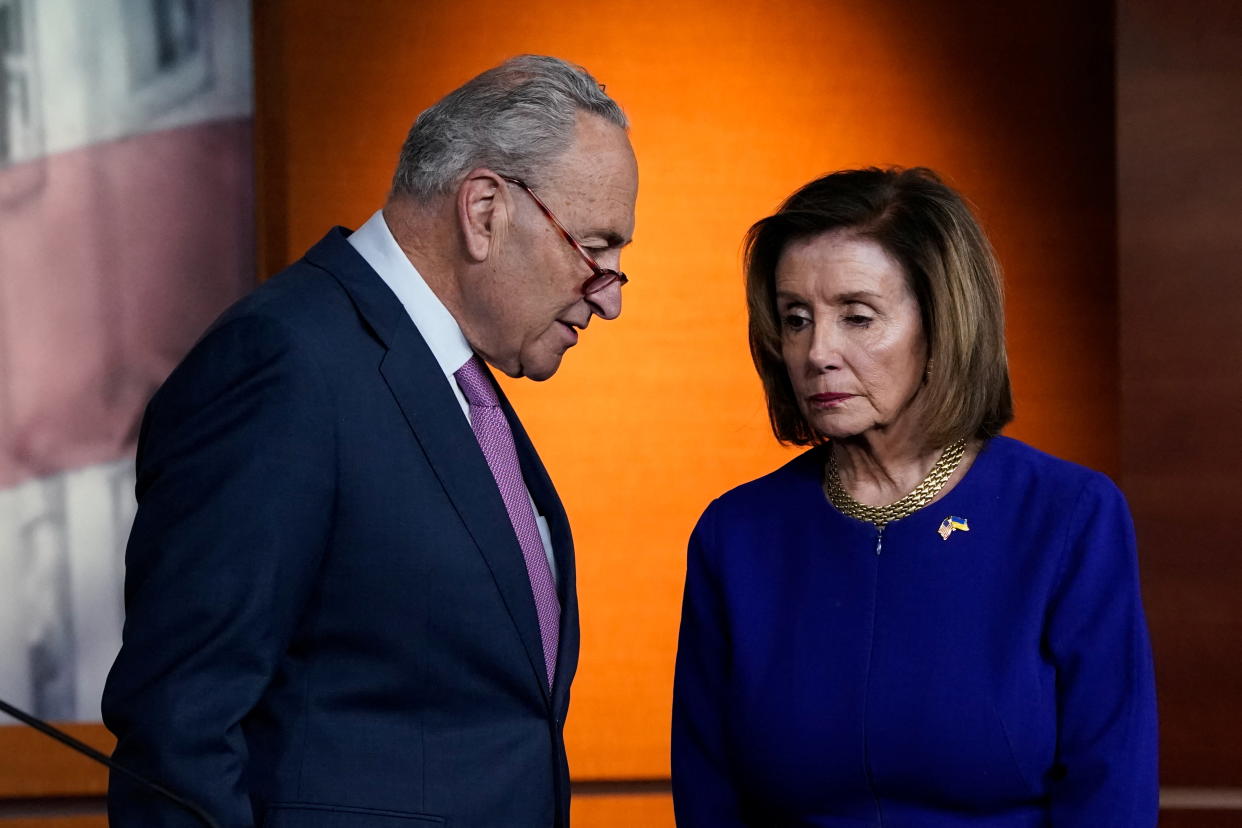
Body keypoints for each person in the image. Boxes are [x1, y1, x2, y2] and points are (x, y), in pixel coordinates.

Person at [102, 55, 638, 828]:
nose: (611, 298)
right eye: (596, 249)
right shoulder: (281, 363)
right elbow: (178, 730)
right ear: (484, 210)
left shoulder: (455, 382)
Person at [671, 167, 1157, 826]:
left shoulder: (1069, 517)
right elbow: (709, 799)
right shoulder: (736, 535)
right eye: (796, 319)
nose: (818, 352)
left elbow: (1111, 793)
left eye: (857, 316)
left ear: (941, 324)